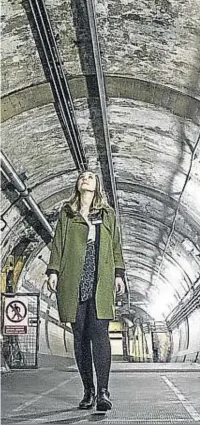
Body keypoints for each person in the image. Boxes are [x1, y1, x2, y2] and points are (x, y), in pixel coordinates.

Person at [46, 171, 126, 412]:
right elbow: (58, 242)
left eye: (90, 177)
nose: (86, 178)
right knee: (80, 336)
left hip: (100, 277)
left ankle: (103, 391)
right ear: (77, 185)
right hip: (74, 277)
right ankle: (88, 390)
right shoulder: (67, 214)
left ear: (97, 185)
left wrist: (119, 273)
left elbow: (115, 245)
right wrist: (53, 271)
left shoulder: (107, 214)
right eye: (82, 177)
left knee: (100, 334)